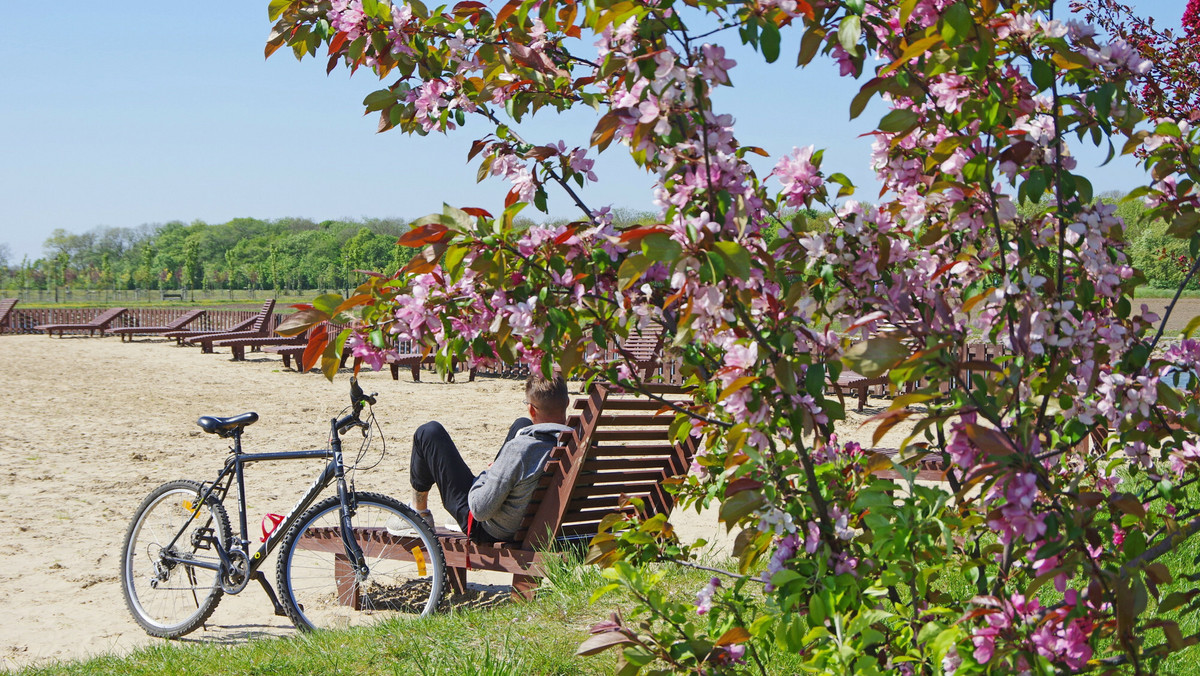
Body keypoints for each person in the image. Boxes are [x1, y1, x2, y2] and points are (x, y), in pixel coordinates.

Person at [388, 371, 572, 541]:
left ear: (532, 409)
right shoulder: (579, 445)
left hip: (493, 530)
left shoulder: (520, 449)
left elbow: (479, 510)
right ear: (567, 403)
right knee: (521, 425)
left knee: (428, 432)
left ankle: (418, 512)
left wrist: (489, 475)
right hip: (543, 525)